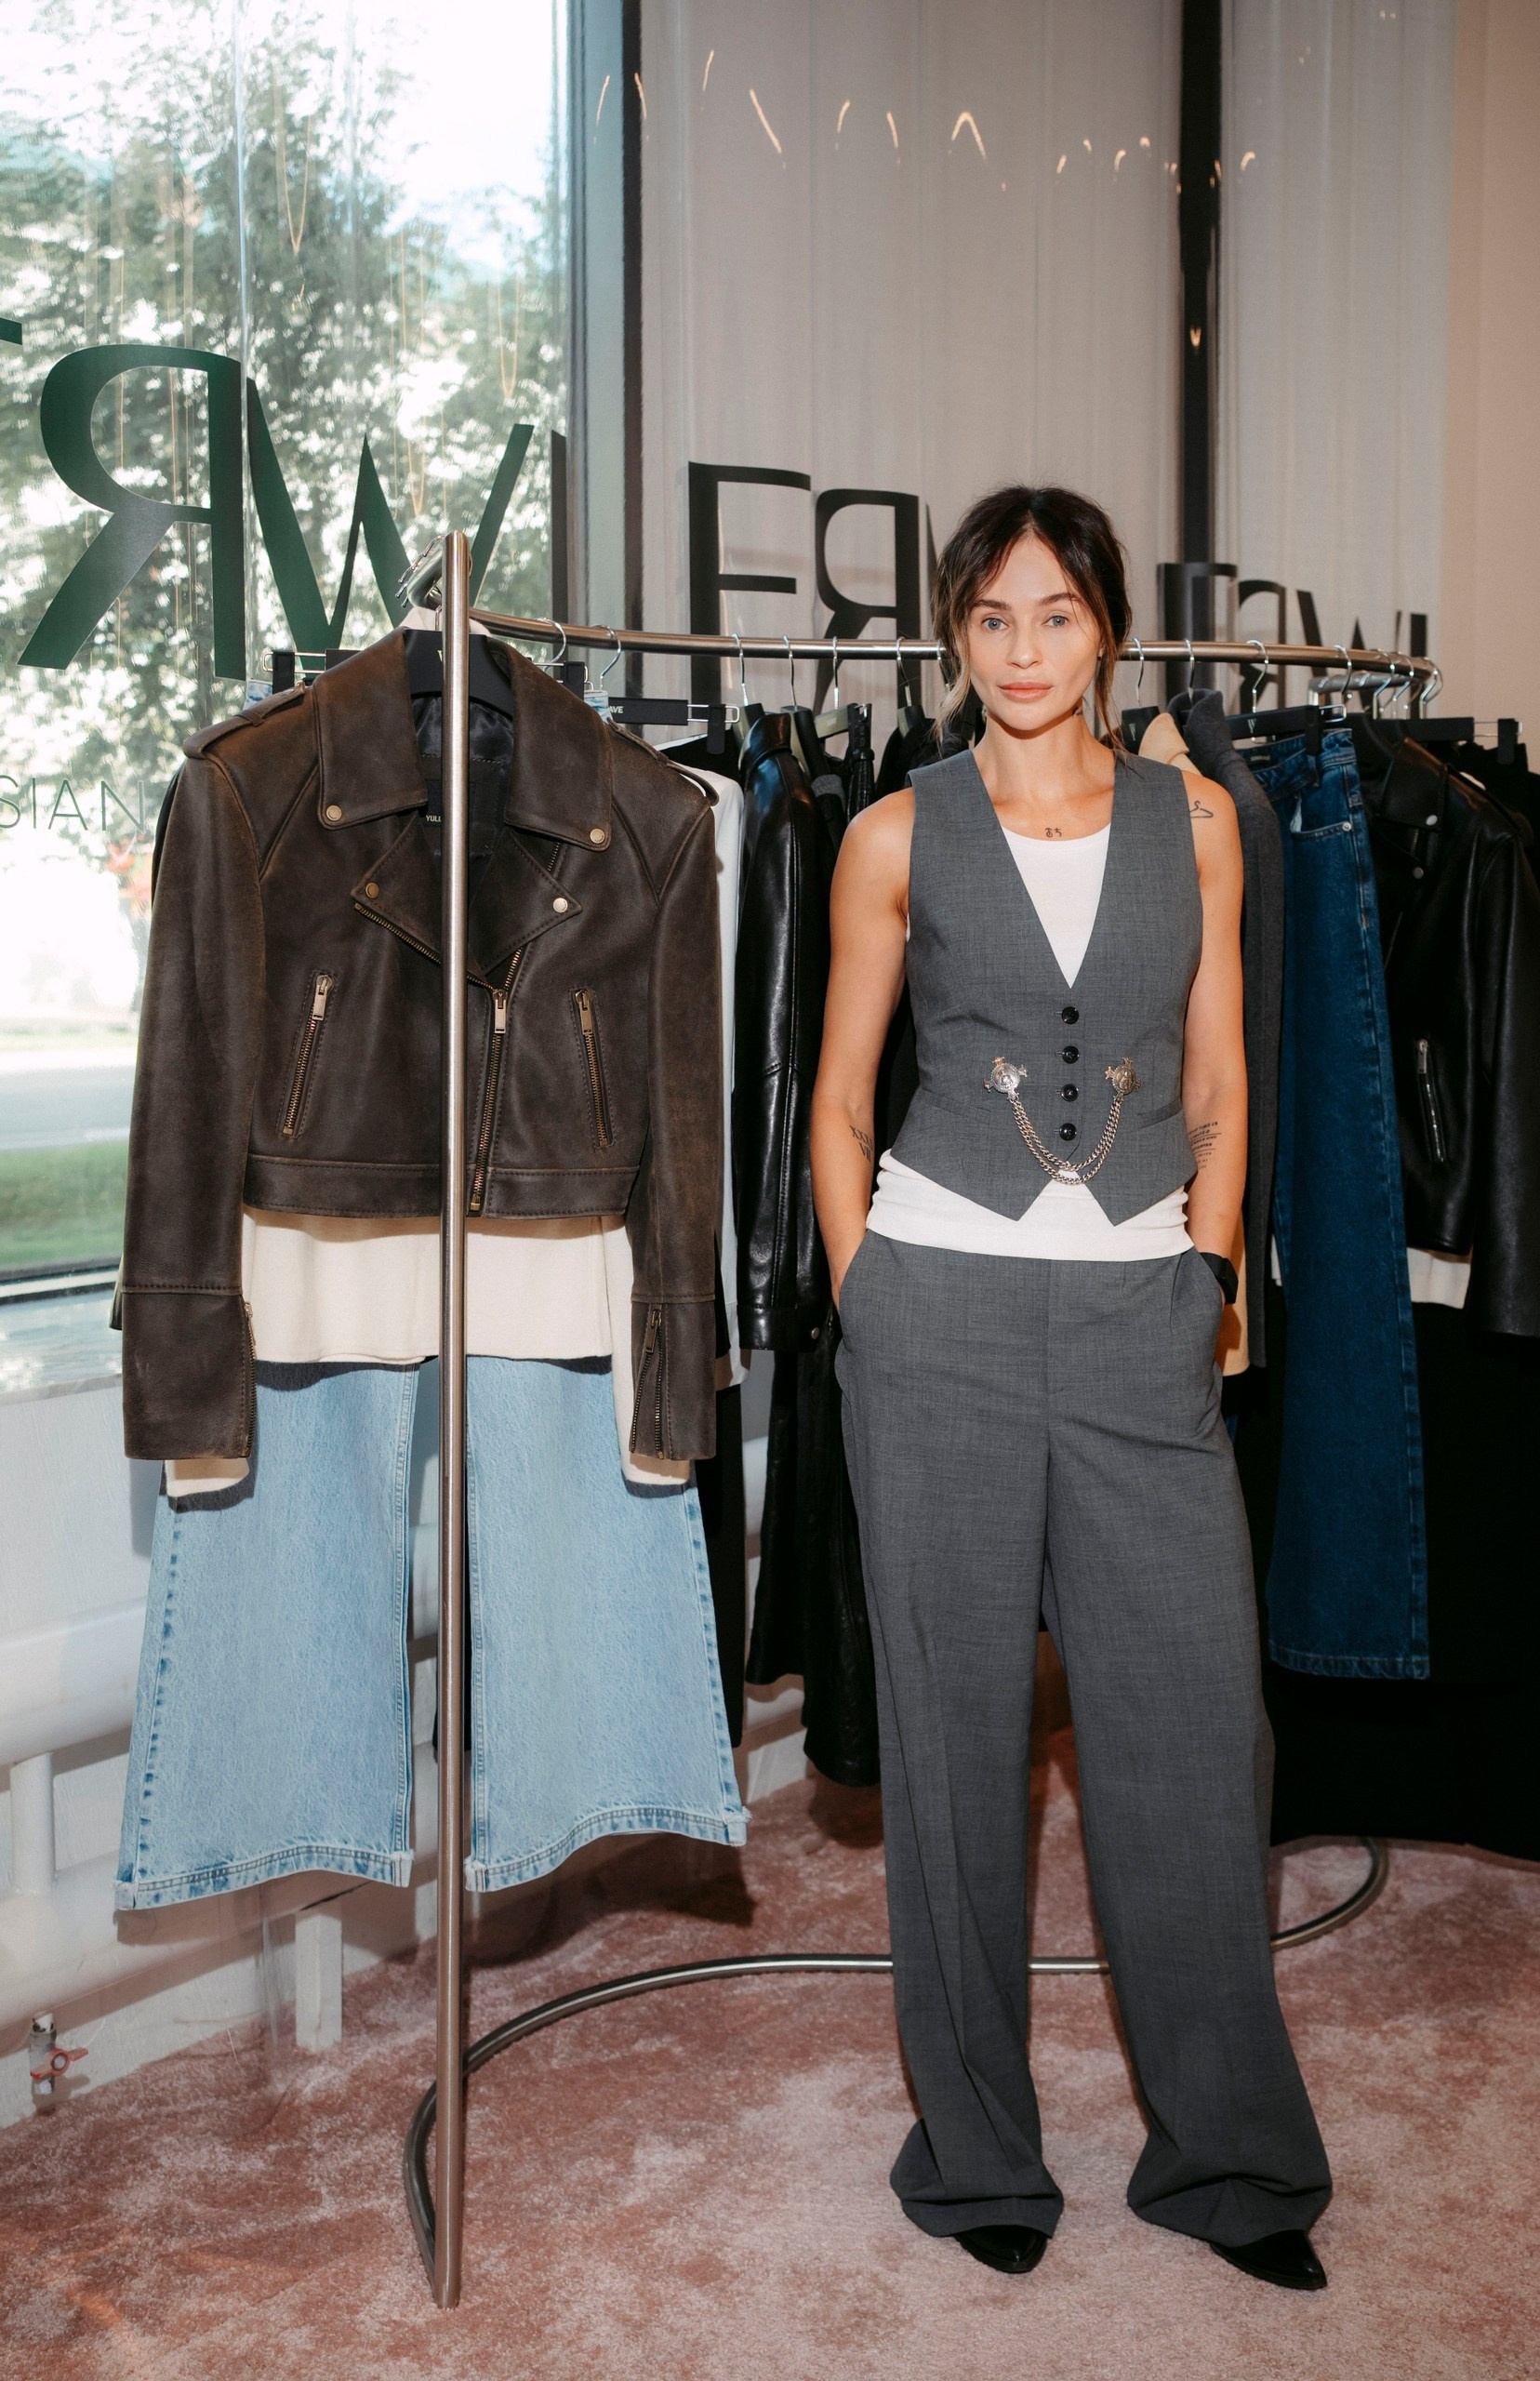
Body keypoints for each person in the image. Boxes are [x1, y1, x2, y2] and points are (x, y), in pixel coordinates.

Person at [810, 485, 1331, 2290]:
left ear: (1109, 626)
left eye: (1056, 614)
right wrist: (867, 1291)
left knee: (1194, 1736)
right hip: (934, 1316)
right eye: (991, 618)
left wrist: (1209, 1272)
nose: (1024, 651)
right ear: (954, 636)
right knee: (954, 1751)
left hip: (1136, 1317)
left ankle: (1231, 2162)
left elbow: (1223, 1074)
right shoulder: (889, 832)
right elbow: (838, 1096)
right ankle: (977, 2159)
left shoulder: (1202, 821)